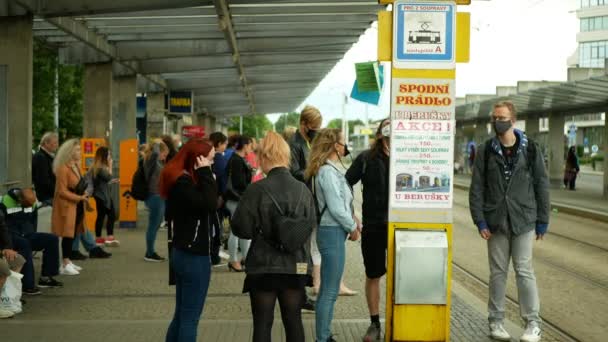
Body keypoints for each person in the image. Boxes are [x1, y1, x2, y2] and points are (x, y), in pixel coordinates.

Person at [469, 101, 550, 342]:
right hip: (495, 221)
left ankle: (533, 323)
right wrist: (480, 221)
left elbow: (542, 185)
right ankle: (496, 321)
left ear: (513, 120)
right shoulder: (485, 150)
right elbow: (477, 189)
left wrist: (543, 220)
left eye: (501, 117)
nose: (497, 121)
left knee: (524, 270)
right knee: (497, 273)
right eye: (494, 117)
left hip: (524, 218)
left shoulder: (531, 148)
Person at [232, 131, 316, 342]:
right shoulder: (303, 190)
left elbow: (240, 229)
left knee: (262, 322)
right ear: (286, 156)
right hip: (295, 265)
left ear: (263, 157)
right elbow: (311, 223)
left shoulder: (256, 190)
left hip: (263, 266)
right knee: (293, 320)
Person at [305, 129, 360, 342]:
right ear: (335, 145)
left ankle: (324, 335)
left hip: (332, 231)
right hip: (332, 231)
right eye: (343, 142)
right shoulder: (327, 172)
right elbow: (336, 208)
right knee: (329, 290)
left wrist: (355, 219)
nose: (345, 146)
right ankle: (323, 337)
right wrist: (351, 227)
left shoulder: (329, 169)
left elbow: (342, 203)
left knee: (329, 288)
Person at [160, 138, 218, 342]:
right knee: (189, 319)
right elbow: (210, 204)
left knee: (182, 315)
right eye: (210, 160)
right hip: (194, 257)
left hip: (183, 253)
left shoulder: (182, 181)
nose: (212, 164)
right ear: (198, 160)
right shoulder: (184, 183)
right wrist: (205, 174)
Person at [345, 118, 390, 342]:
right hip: (373, 225)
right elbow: (345, 183)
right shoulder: (366, 158)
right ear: (380, 133)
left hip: (400, 227)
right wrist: (351, 213)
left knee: (401, 274)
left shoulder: (410, 157)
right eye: (387, 126)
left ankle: (399, 319)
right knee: (373, 274)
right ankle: (374, 323)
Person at [288, 106, 323, 312]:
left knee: (305, 252)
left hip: (307, 201)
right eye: (314, 127)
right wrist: (314, 168)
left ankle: (300, 293)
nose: (316, 130)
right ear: (304, 124)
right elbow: (293, 172)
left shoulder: (308, 142)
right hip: (299, 203)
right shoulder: (294, 144)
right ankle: (297, 295)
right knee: (300, 252)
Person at [2, 189, 63, 294]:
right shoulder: (4, 202)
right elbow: (2, 227)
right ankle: (27, 285)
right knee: (24, 244)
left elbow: (33, 220)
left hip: (27, 233)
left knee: (52, 239)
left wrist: (33, 233)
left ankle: (45, 278)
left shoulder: (32, 202)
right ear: (20, 200)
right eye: (26, 204)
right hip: (11, 236)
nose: (29, 207)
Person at [51, 138, 89, 276]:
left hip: (77, 204)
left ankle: (68, 260)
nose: (80, 152)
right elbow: (61, 191)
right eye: (77, 149)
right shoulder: (63, 168)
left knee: (72, 233)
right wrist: (79, 197)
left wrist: (83, 193)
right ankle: (65, 262)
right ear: (70, 151)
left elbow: (79, 184)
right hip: (68, 206)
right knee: (67, 234)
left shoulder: (75, 166)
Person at [224, 136, 253, 272]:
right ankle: (234, 260)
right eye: (250, 146)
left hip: (236, 199)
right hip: (237, 200)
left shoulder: (237, 159)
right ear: (245, 145)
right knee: (236, 231)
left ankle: (243, 258)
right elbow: (240, 183)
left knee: (241, 230)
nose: (251, 149)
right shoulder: (237, 161)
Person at [143, 139, 169, 262]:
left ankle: (150, 251)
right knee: (153, 225)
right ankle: (149, 253)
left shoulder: (157, 162)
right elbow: (155, 152)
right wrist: (158, 143)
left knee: (155, 225)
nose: (165, 157)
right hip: (155, 196)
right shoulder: (151, 160)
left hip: (159, 196)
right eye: (164, 154)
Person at [89, 147, 120, 246]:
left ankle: (100, 238)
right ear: (104, 156)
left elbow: (103, 181)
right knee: (110, 214)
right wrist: (110, 166)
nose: (110, 157)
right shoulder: (100, 167)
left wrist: (111, 181)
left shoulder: (96, 166)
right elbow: (108, 177)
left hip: (100, 195)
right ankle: (108, 237)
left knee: (102, 216)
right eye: (109, 154)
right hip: (102, 196)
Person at [209, 132, 229, 266]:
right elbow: (223, 179)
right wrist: (222, 196)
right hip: (217, 199)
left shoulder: (207, 156)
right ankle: (214, 256)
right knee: (216, 227)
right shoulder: (220, 159)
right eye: (225, 143)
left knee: (211, 226)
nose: (226, 146)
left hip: (210, 196)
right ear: (219, 144)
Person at [32, 132, 59, 206]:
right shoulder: (40, 157)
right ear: (46, 143)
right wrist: (58, 192)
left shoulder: (47, 156)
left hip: (50, 195)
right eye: (55, 143)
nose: (57, 145)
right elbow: (44, 180)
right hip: (48, 197)